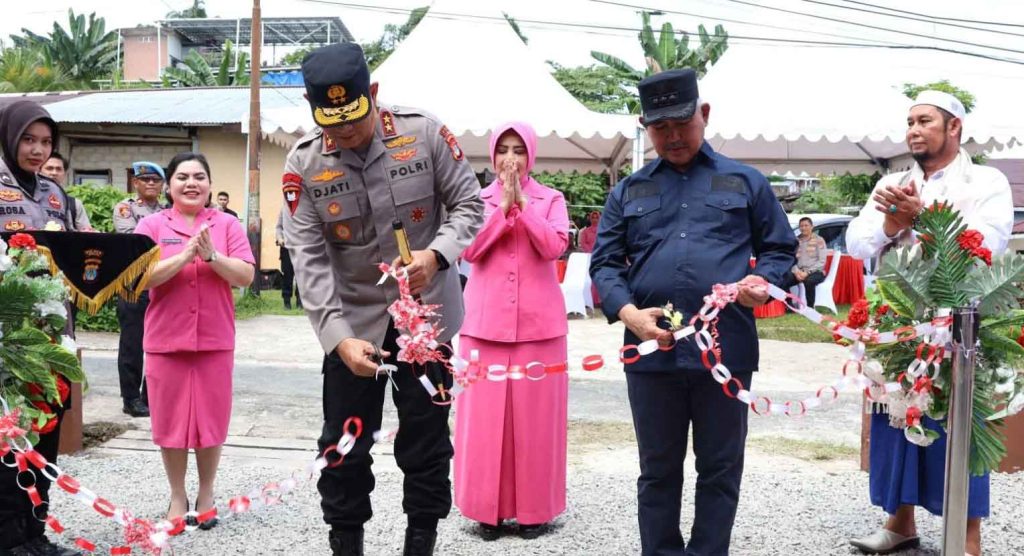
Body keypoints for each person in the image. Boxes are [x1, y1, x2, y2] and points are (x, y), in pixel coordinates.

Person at [282, 43, 483, 556]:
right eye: (332, 123)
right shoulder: (303, 162)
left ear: (372, 93)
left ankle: (421, 541)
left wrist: (437, 255)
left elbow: (469, 205)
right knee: (343, 445)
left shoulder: (425, 134)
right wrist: (337, 339)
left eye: (354, 117)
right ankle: (346, 544)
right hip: (354, 325)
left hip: (426, 322)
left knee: (426, 441)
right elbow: (309, 259)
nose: (346, 132)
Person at [590, 69, 796, 556]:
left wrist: (762, 283)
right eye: (660, 128)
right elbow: (605, 264)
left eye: (683, 123)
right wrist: (629, 314)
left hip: (727, 348)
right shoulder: (628, 191)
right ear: (645, 127)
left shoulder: (745, 181)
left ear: (704, 114)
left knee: (720, 468)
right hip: (651, 351)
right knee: (657, 470)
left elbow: (780, 250)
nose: (674, 136)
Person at [846, 91, 1012, 556]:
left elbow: (988, 246)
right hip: (900, 320)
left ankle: (967, 537)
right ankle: (900, 524)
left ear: (954, 127)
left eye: (925, 121)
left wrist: (922, 219)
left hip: (959, 324)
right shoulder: (893, 182)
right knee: (896, 420)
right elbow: (856, 243)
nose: (914, 131)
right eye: (910, 122)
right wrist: (891, 224)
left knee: (958, 426)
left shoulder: (986, 181)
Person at [453, 122, 570, 540]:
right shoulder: (475, 201)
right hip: (483, 329)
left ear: (531, 155)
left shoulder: (551, 200)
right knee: (484, 425)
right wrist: (502, 210)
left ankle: (534, 510)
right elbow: (469, 250)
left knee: (537, 424)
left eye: (519, 150)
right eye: (503, 150)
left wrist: (525, 207)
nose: (510, 159)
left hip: (541, 331)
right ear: (492, 155)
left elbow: (554, 247)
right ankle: (485, 510)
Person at [132, 152, 255, 527]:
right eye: (182, 177)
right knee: (169, 423)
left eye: (199, 177)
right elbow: (139, 277)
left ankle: (206, 492)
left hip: (215, 339)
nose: (191, 183)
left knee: (211, 421)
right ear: (169, 186)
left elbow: (245, 275)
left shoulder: (227, 224)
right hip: (165, 340)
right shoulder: (151, 225)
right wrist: (186, 256)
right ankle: (176, 495)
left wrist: (212, 255)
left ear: (210, 185)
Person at [0, 100, 81, 555]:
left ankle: (35, 533)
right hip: (9, 339)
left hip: (54, 333)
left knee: (47, 432)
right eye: (28, 139)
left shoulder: (55, 193)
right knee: (11, 436)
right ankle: (8, 539)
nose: (37, 150)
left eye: (46, 142)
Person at [111, 161, 167, 418]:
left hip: (162, 283)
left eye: (156, 180)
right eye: (145, 180)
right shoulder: (126, 208)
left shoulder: (169, 210)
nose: (151, 184)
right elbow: (134, 240)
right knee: (132, 343)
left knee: (159, 343)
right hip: (133, 284)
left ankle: (149, 396)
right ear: (135, 183)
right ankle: (131, 398)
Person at [779, 216, 827, 308]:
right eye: (801, 226)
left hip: (815, 271)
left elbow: (822, 261)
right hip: (798, 271)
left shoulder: (819, 240)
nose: (803, 228)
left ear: (812, 226)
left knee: (809, 281)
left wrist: (807, 272)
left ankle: (810, 308)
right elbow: (791, 258)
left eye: (806, 225)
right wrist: (796, 271)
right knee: (783, 279)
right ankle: (789, 306)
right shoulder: (795, 241)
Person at [40, 152, 92, 232]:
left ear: (64, 174)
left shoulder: (74, 204)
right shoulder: (27, 199)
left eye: (59, 169)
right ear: (38, 171)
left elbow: (87, 232)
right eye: (49, 168)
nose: (54, 173)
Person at [274, 207, 301, 310]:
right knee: (287, 275)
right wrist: (279, 238)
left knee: (301, 275)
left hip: (302, 247)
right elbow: (279, 227)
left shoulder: (306, 207)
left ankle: (300, 302)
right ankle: (287, 302)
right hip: (286, 247)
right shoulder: (284, 210)